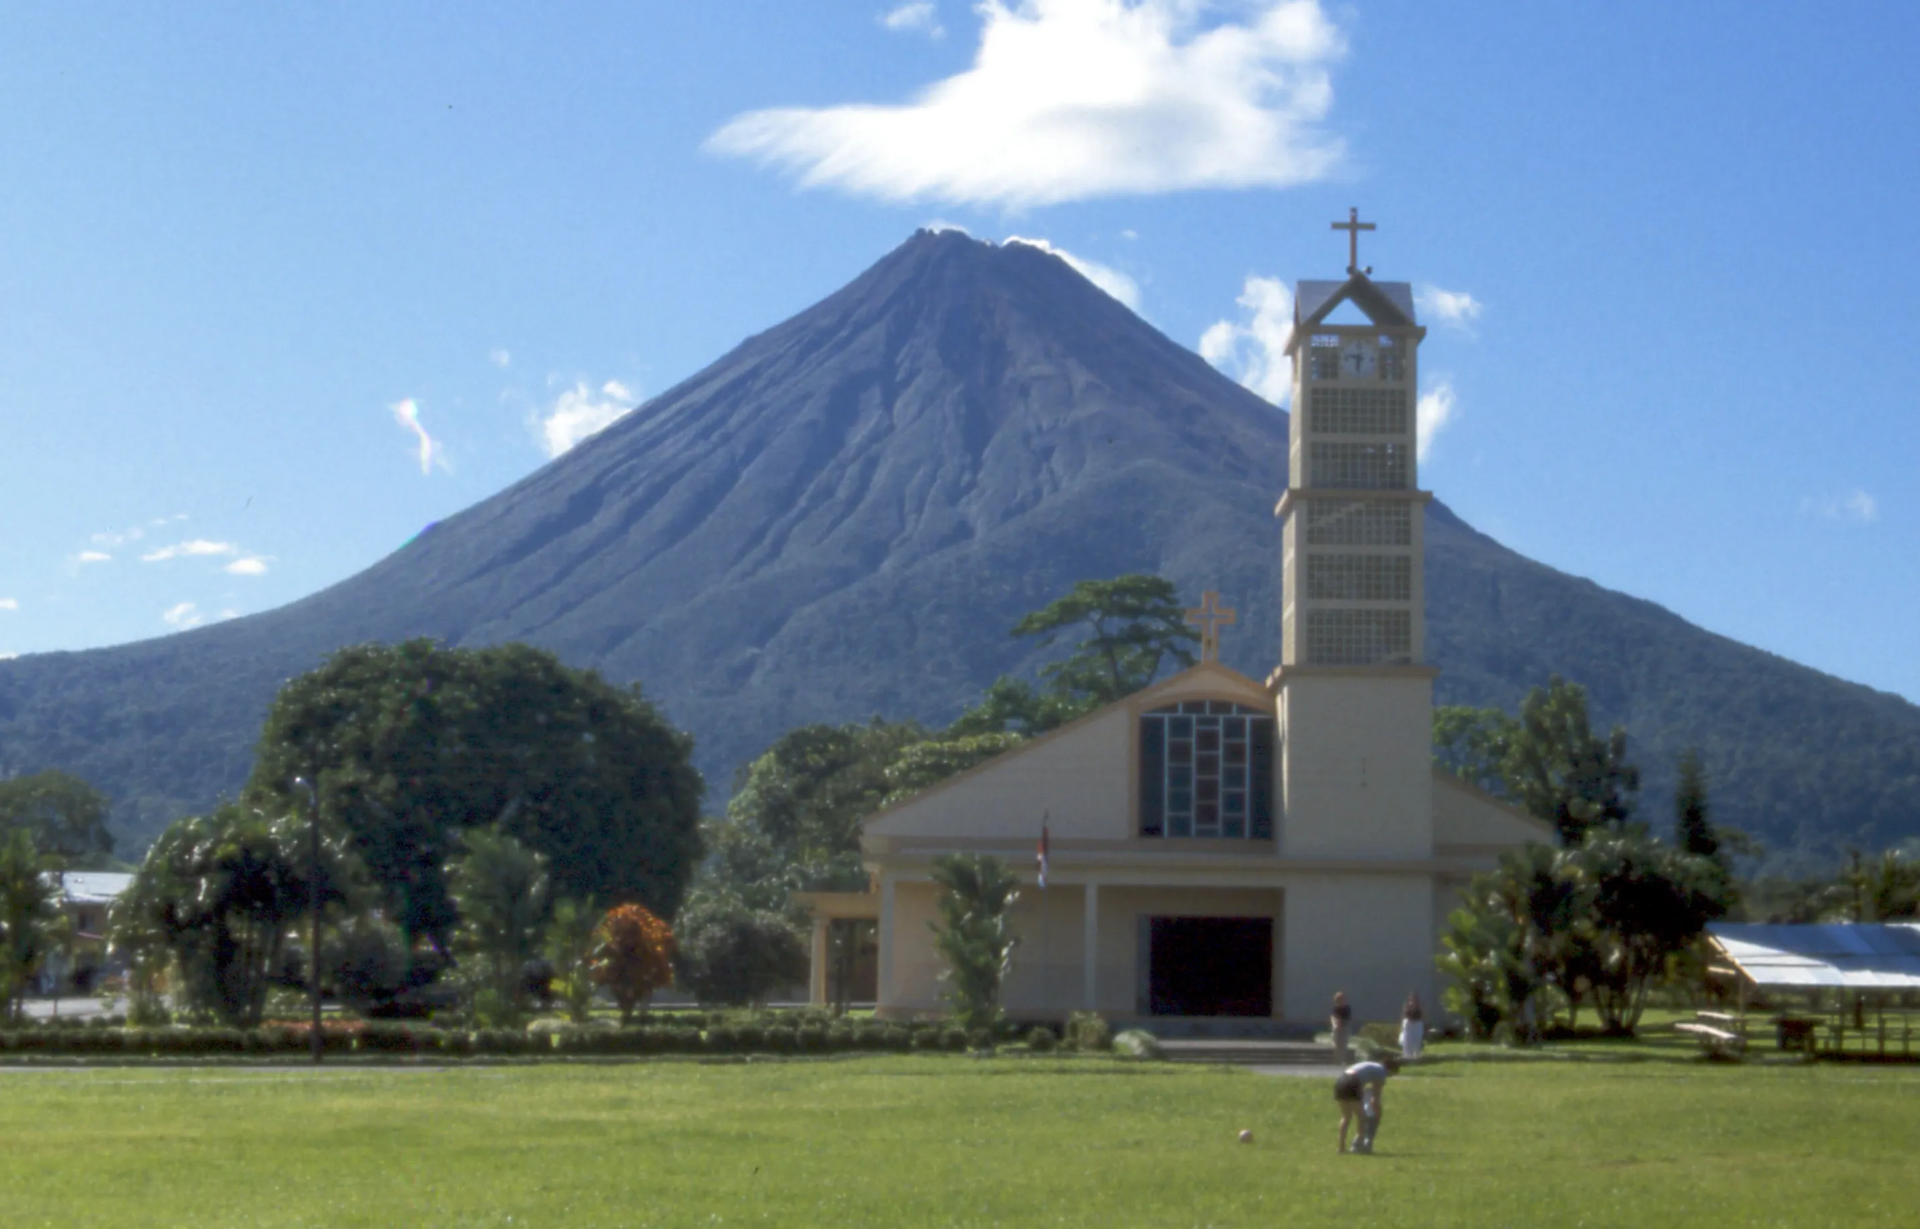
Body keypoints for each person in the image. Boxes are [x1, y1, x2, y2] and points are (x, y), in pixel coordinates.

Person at [1333, 1057, 1397, 1154]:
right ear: (1389, 1070)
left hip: (1341, 1080)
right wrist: (1378, 1114)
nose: (1387, 1077)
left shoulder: (1371, 1066)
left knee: (1346, 1117)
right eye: (1390, 1075)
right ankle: (1360, 1145)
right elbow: (1375, 1099)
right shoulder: (1381, 1072)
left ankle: (1341, 1147)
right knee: (1362, 1117)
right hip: (1353, 1082)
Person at [1399, 992, 1425, 1060]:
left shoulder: (1419, 1006)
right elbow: (1403, 1015)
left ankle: (1417, 1055)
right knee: (1408, 1040)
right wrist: (1402, 1024)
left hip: (1417, 1024)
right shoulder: (1407, 1006)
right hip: (1409, 1024)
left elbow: (1422, 1015)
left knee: (1417, 1040)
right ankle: (1407, 1056)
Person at [1330, 991, 1353, 1062]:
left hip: (1344, 1028)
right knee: (1336, 1043)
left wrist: (1340, 1024)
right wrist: (1335, 1024)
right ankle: (1337, 1059)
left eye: (1341, 999)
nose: (1339, 1001)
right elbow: (1334, 1017)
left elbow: (1347, 1019)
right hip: (1337, 1027)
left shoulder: (1347, 1008)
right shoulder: (1335, 1008)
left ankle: (1343, 1060)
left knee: (1343, 1044)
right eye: (1338, 999)